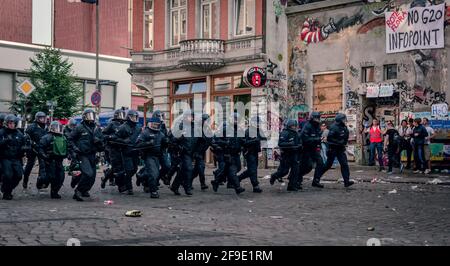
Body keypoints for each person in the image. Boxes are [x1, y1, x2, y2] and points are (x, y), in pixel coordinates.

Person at [69, 109, 104, 201]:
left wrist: (99, 141)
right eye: (89, 115)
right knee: (88, 173)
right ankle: (78, 191)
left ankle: (84, 190)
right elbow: (70, 139)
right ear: (84, 117)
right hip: (82, 154)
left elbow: (103, 142)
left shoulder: (97, 128)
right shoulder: (79, 127)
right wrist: (75, 148)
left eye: (92, 115)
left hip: (93, 154)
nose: (91, 118)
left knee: (92, 177)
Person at [210, 113, 246, 195]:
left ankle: (216, 181)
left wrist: (244, 145)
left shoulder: (240, 130)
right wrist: (225, 143)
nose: (236, 121)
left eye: (237, 119)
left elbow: (242, 140)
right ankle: (237, 187)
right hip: (227, 154)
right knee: (232, 171)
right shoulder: (225, 129)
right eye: (234, 119)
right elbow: (215, 140)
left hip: (236, 153)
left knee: (237, 168)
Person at [316, 113, 354, 187]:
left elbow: (345, 136)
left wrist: (344, 142)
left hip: (340, 149)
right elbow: (330, 138)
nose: (344, 121)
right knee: (328, 165)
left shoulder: (344, 127)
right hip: (332, 149)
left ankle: (346, 181)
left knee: (344, 164)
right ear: (340, 120)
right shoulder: (334, 127)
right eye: (343, 119)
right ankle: (317, 178)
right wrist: (339, 142)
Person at [136, 116, 168, 198]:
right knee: (154, 173)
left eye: (157, 125)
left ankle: (141, 177)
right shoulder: (145, 132)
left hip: (158, 156)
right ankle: (153, 191)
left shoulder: (161, 134)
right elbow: (138, 144)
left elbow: (165, 144)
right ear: (150, 124)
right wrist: (148, 143)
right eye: (154, 125)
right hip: (149, 155)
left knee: (157, 172)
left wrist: (167, 142)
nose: (155, 126)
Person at [267, 119, 301, 191]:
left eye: (295, 126)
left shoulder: (296, 133)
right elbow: (281, 143)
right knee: (284, 171)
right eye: (293, 126)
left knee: (295, 170)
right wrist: (290, 144)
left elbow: (298, 142)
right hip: (286, 155)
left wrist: (299, 146)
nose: (294, 127)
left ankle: (291, 186)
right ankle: (274, 176)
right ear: (289, 126)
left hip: (294, 154)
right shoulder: (285, 133)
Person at [113, 109, 141, 195]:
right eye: (133, 117)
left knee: (134, 169)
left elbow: (141, 138)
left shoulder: (138, 127)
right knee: (129, 170)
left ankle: (119, 176)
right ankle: (129, 188)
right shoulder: (123, 127)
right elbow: (115, 138)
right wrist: (124, 141)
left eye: (136, 117)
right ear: (128, 117)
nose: (134, 118)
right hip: (126, 152)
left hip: (135, 152)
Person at [170, 111, 197, 196]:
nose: (192, 118)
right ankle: (187, 187)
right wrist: (179, 146)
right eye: (190, 116)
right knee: (189, 169)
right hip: (184, 152)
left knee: (182, 170)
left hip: (191, 152)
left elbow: (197, 140)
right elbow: (173, 139)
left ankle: (174, 186)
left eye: (192, 116)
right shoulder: (181, 126)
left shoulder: (195, 127)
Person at [0, 115, 28, 200]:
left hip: (16, 158)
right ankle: (6, 192)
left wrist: (25, 148)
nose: (11, 125)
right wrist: (4, 141)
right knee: (8, 175)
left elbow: (24, 144)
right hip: (5, 158)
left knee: (19, 175)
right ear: (6, 123)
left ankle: (7, 189)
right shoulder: (1, 132)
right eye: (10, 123)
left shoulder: (19, 133)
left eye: (13, 123)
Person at [38, 121, 67, 199]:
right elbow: (40, 148)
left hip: (59, 160)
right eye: (55, 127)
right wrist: (44, 156)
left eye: (59, 127)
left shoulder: (63, 138)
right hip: (49, 160)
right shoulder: (46, 137)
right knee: (48, 177)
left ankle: (54, 192)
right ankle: (41, 182)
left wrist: (68, 155)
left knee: (60, 177)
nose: (57, 129)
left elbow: (67, 148)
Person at [239, 116, 267, 193]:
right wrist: (254, 140)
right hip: (249, 152)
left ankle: (237, 179)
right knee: (253, 170)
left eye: (259, 123)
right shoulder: (248, 131)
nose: (258, 124)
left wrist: (264, 138)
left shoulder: (259, 130)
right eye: (257, 122)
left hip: (255, 152)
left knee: (251, 170)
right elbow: (244, 143)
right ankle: (255, 186)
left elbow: (264, 138)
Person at [298, 112, 325, 188]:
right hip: (306, 149)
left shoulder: (317, 126)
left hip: (314, 148)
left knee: (320, 163)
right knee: (307, 166)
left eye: (319, 118)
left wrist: (319, 142)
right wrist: (317, 139)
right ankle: (297, 179)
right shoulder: (307, 126)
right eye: (317, 118)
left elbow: (319, 135)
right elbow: (305, 138)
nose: (318, 120)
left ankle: (316, 181)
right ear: (312, 118)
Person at [101, 109, 126, 189]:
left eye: (123, 115)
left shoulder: (124, 124)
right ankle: (121, 185)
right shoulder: (112, 124)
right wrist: (110, 137)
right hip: (112, 149)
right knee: (117, 167)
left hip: (122, 148)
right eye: (120, 115)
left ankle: (105, 178)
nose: (122, 117)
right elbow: (103, 134)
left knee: (121, 167)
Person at [23, 112, 47, 189]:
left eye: (44, 117)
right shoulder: (32, 127)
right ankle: (25, 180)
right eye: (41, 118)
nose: (43, 119)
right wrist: (31, 143)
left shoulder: (46, 127)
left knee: (43, 165)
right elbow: (26, 136)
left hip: (41, 149)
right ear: (37, 118)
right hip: (32, 149)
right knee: (30, 165)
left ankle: (40, 182)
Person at [192, 113, 212, 190]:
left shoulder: (208, 129)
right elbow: (193, 142)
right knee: (201, 167)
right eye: (206, 120)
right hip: (197, 152)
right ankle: (202, 184)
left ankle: (187, 181)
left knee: (196, 171)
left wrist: (216, 146)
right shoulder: (197, 129)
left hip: (202, 152)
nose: (208, 122)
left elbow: (210, 140)